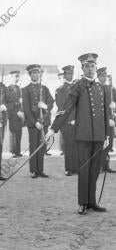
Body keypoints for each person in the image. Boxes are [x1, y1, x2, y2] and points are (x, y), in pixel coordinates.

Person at [45, 53, 109, 215]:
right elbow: (65, 108)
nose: (90, 69)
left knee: (95, 170)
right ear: (82, 68)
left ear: (95, 67)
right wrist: (53, 128)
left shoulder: (102, 87)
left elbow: (105, 113)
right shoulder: (78, 86)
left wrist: (107, 135)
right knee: (85, 169)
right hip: (83, 135)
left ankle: (92, 202)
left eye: (92, 66)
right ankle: (82, 203)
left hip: (99, 136)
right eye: (86, 66)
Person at [22, 64, 54, 178]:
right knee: (33, 147)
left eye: (38, 73)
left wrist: (45, 106)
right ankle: (33, 171)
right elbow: (26, 108)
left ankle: (40, 170)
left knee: (42, 147)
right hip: (33, 124)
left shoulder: (44, 88)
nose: (36, 75)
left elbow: (51, 102)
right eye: (33, 73)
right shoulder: (25, 90)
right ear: (30, 75)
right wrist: (35, 122)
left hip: (44, 123)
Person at [55, 65, 78, 175]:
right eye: (68, 74)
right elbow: (61, 108)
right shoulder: (60, 90)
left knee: (76, 146)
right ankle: (68, 169)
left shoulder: (77, 88)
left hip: (77, 122)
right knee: (68, 147)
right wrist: (71, 120)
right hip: (67, 123)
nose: (70, 76)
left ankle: (75, 168)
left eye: (72, 74)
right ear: (64, 75)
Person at [97, 67, 116, 173]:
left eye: (105, 76)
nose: (104, 77)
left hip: (110, 122)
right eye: (102, 76)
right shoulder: (96, 88)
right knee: (101, 145)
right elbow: (99, 107)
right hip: (101, 122)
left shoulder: (110, 88)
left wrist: (114, 106)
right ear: (98, 76)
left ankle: (106, 166)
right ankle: (99, 166)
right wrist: (108, 119)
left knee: (109, 145)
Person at [6, 70, 24, 158]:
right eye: (15, 76)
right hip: (13, 114)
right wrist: (17, 112)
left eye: (18, 76)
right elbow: (8, 103)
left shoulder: (19, 88)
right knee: (13, 133)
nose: (17, 78)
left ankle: (18, 151)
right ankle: (13, 151)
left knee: (19, 133)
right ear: (11, 77)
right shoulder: (8, 89)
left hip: (20, 115)